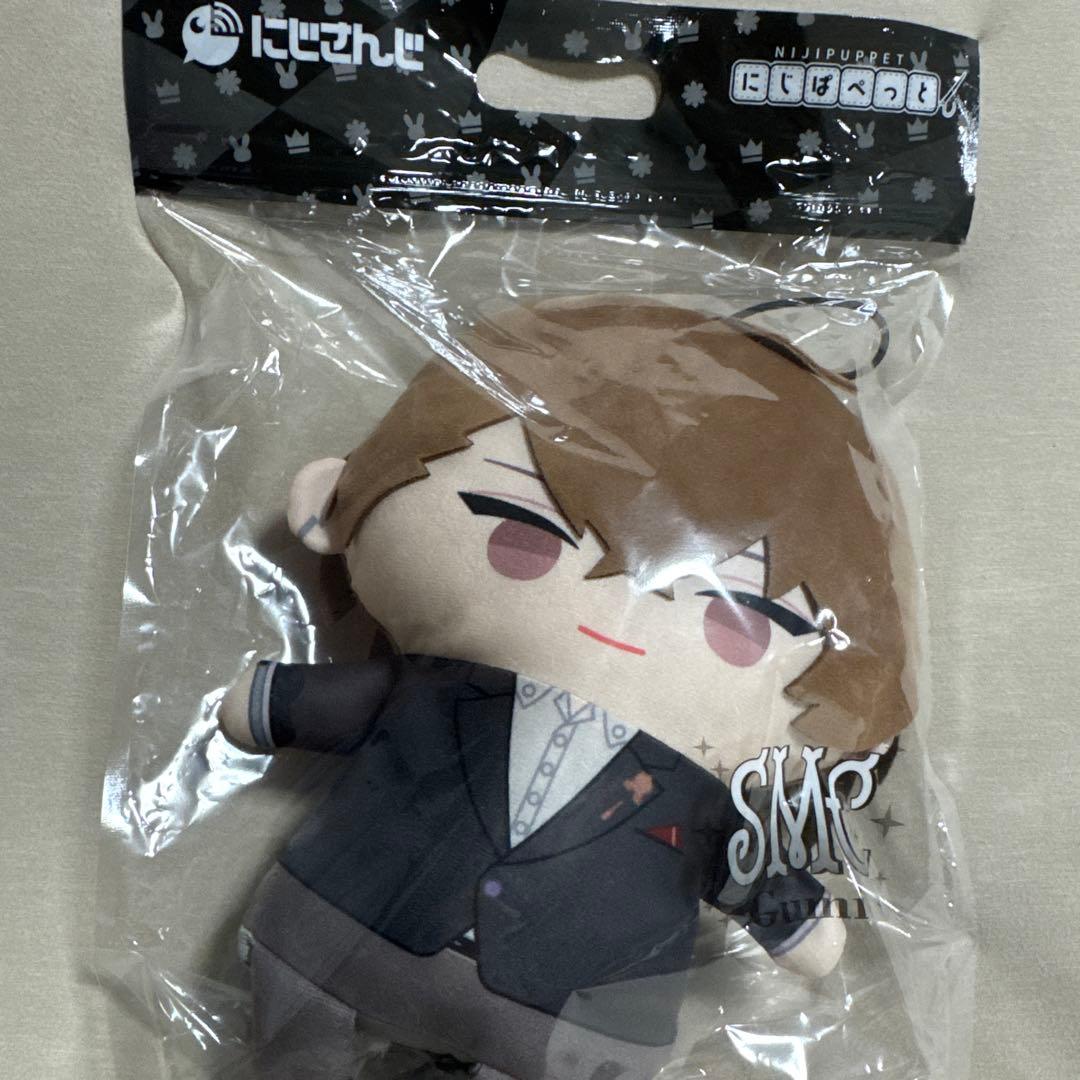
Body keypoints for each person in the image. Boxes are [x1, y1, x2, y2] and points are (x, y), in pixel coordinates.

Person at [219, 297, 914, 1079]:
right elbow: (340, 703)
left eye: (735, 623)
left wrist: (792, 915)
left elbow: (743, 859)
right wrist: (276, 701)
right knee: (296, 1041)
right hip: (341, 922)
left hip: (565, 1018)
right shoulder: (432, 693)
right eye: (525, 540)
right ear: (330, 498)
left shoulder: (707, 802)